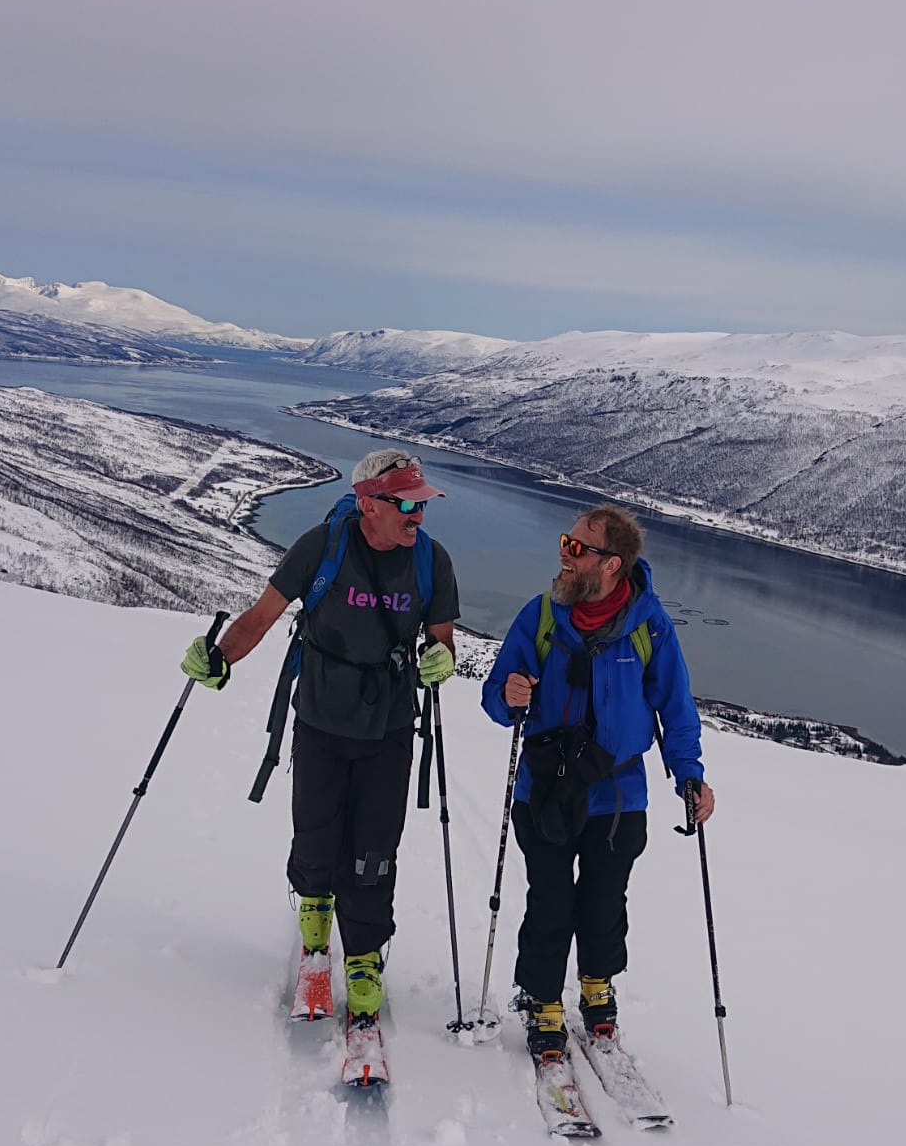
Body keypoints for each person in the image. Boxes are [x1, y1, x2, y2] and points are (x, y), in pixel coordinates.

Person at [181, 449, 459, 1026]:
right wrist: (219, 661)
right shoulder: (322, 547)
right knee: (315, 831)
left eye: (422, 503)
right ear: (367, 504)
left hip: (389, 724)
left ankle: (362, 957)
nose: (417, 515)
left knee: (375, 847)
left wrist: (440, 660)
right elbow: (260, 617)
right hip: (320, 716)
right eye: (404, 503)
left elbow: (441, 638)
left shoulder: (432, 561)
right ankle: (315, 925)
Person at [481, 505, 714, 1062]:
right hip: (546, 788)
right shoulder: (539, 617)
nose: (564, 553)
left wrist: (691, 776)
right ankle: (542, 1000)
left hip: (617, 794)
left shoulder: (651, 625)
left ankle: (595, 989)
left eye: (578, 547)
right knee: (551, 900)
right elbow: (496, 696)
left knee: (605, 902)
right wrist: (508, 695)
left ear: (612, 565)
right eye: (565, 541)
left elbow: (675, 708)